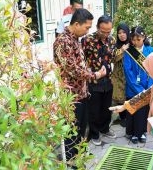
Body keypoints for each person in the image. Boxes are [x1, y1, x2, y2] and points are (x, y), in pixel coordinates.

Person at [53, 8, 105, 161]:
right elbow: (73, 69)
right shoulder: (63, 41)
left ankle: (79, 155)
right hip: (71, 97)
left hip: (81, 93)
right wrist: (95, 74)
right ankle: (71, 160)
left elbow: (80, 65)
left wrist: (90, 71)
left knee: (82, 129)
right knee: (71, 131)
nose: (88, 31)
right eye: (87, 27)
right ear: (76, 24)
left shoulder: (75, 39)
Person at [81, 15, 116, 146]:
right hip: (94, 81)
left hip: (108, 80)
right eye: (103, 31)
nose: (106, 34)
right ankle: (94, 134)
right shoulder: (87, 40)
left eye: (109, 31)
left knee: (107, 108)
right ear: (97, 28)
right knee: (94, 110)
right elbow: (81, 60)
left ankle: (105, 129)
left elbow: (112, 57)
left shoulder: (111, 40)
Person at [123, 26, 153, 143]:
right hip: (133, 88)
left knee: (143, 110)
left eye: (138, 39)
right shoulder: (128, 52)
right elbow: (128, 71)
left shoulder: (151, 50)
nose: (136, 42)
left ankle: (141, 132)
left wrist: (149, 86)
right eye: (133, 39)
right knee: (133, 110)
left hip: (147, 87)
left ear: (144, 37)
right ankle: (132, 133)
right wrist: (138, 89)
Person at [112, 23, 130, 127]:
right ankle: (123, 118)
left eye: (124, 32)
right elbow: (113, 59)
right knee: (120, 98)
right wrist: (122, 50)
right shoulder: (115, 46)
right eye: (119, 33)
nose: (121, 35)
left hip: (130, 76)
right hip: (118, 76)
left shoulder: (132, 44)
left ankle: (130, 117)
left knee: (130, 96)